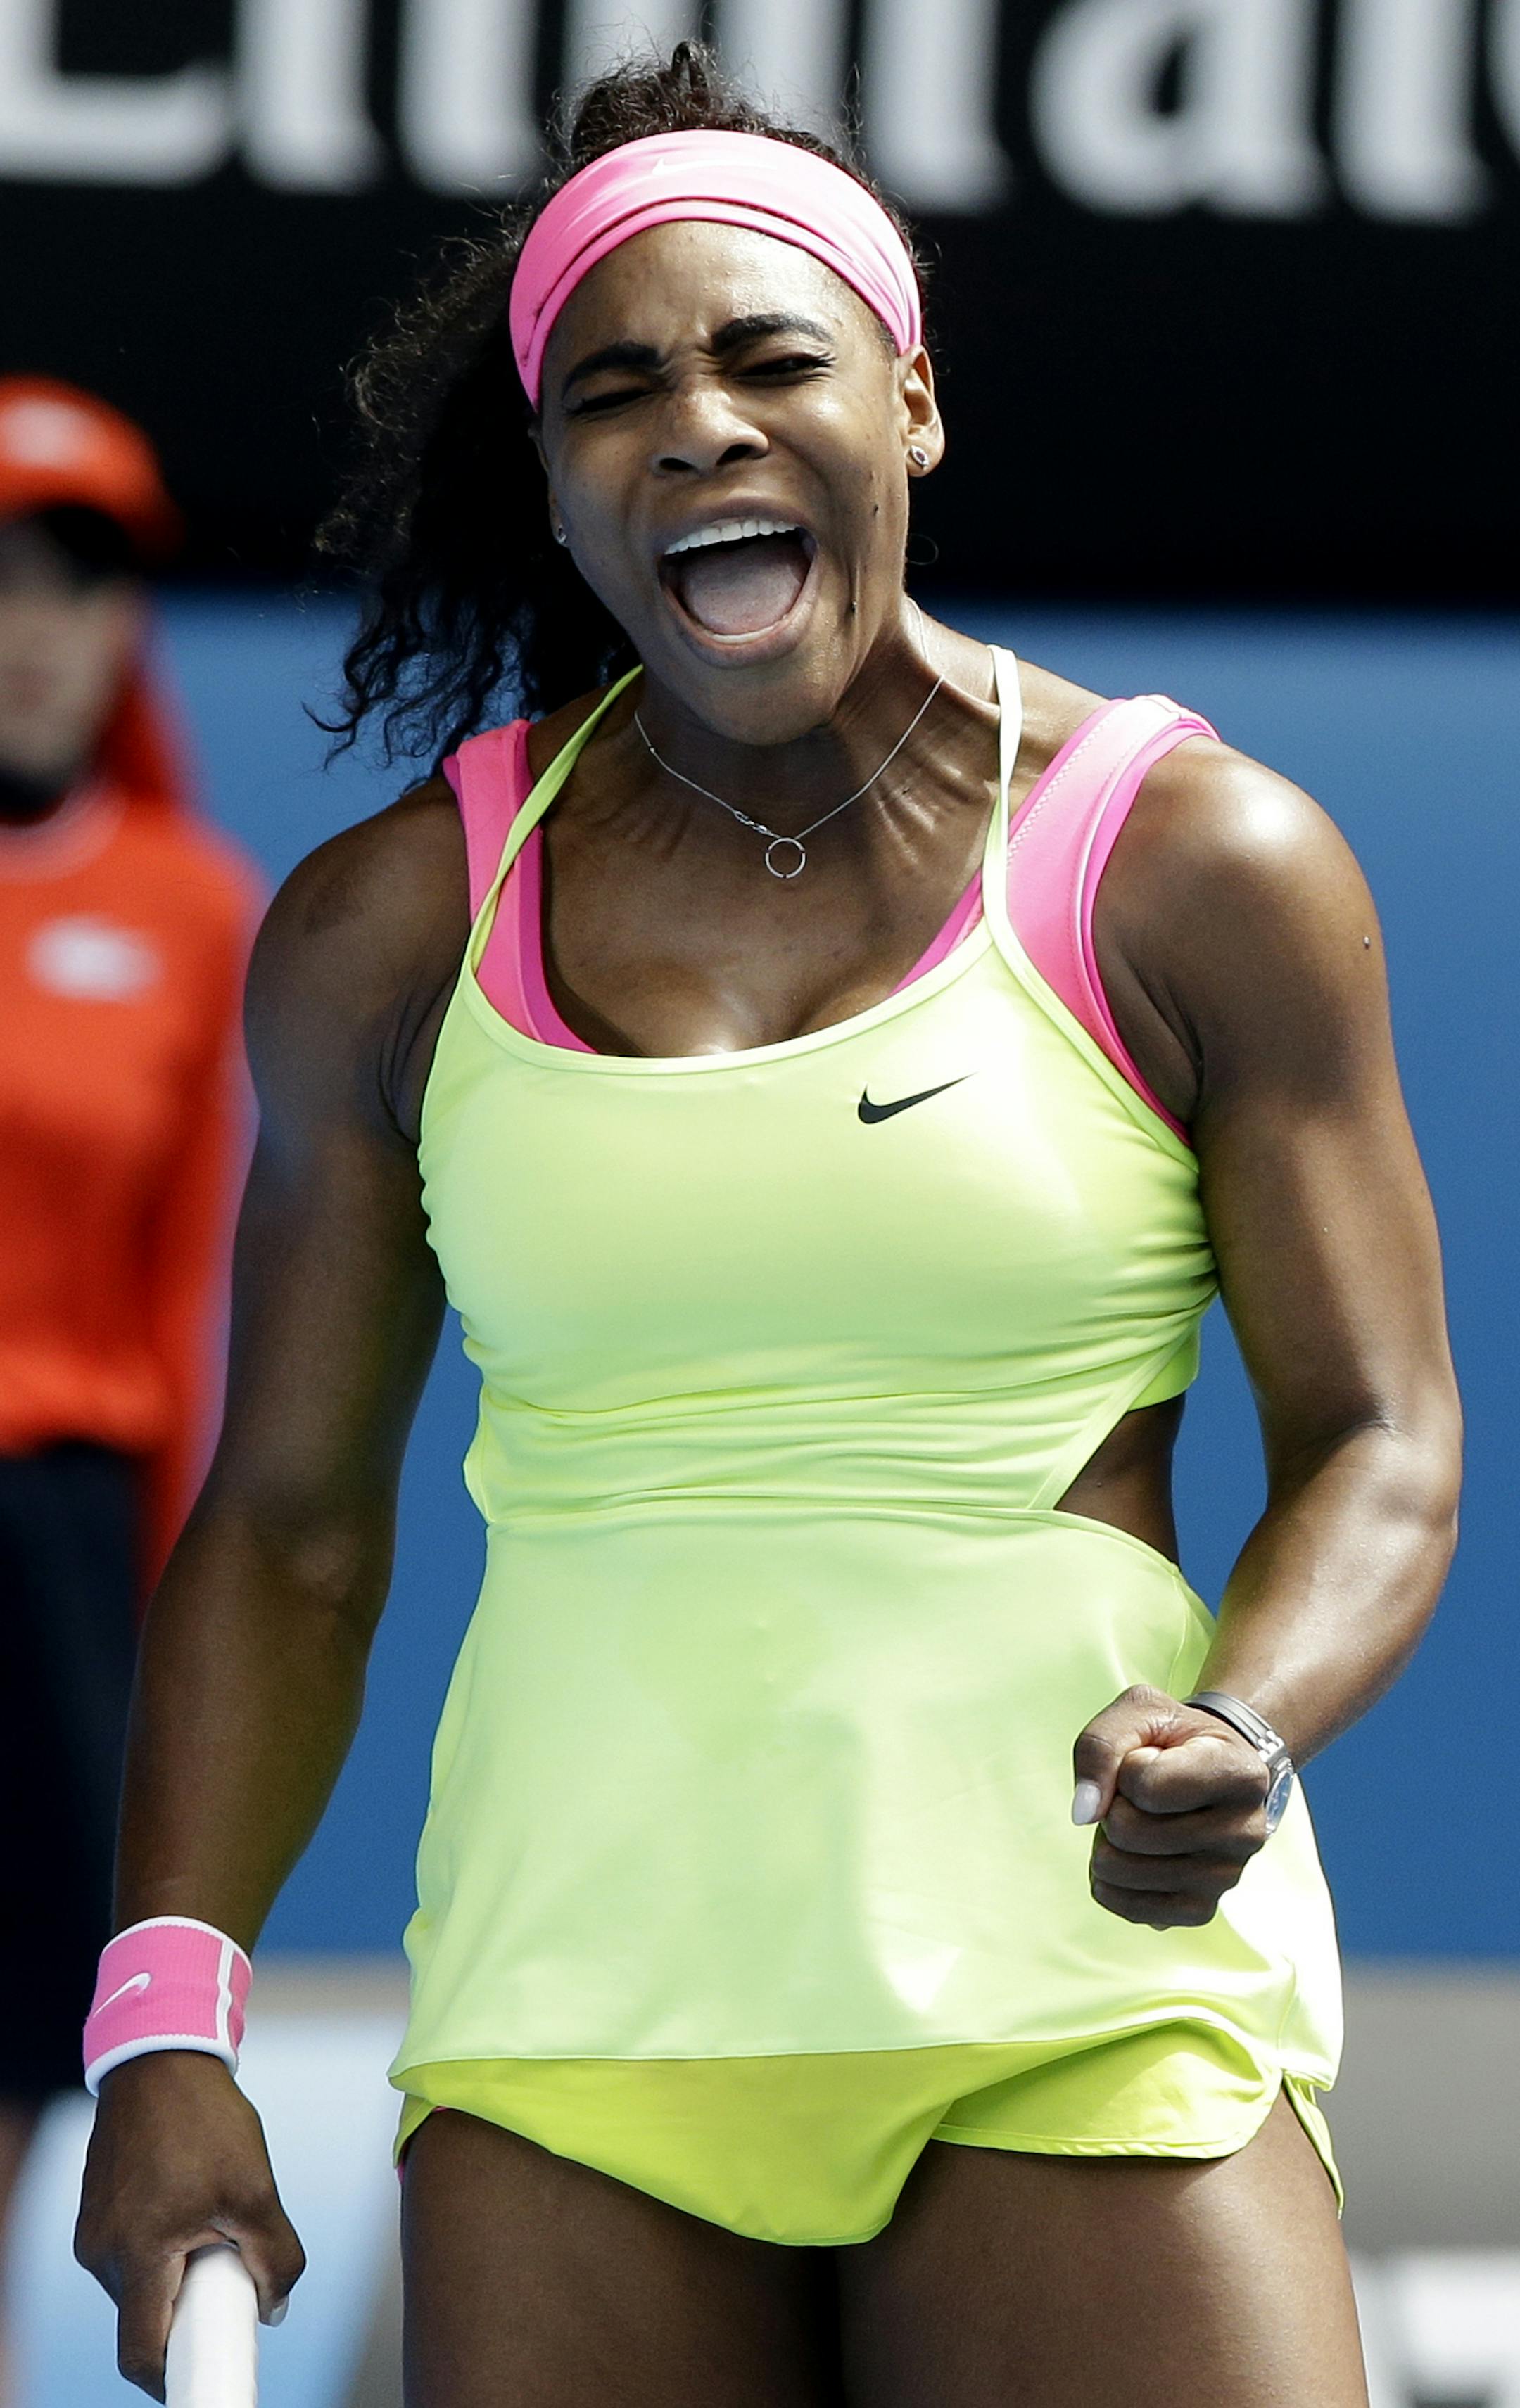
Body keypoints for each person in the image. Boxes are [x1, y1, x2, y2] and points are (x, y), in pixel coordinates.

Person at [74, 46, 1459, 2408]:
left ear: (909, 402)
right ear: (555, 485)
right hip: (578, 2020)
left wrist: (1246, 1719)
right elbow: (291, 1530)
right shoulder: (391, 931)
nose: (696, 426)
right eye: (614, 393)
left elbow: (1383, 1440)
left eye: (767, 357)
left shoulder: (1196, 862)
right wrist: (163, 2022)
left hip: (1077, 1980)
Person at [0, 380, 258, 2383]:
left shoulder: (189, 907)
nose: (32, 629)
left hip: (54, 1572)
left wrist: (164, 1658)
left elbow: (187, 1315)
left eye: (74, 582)